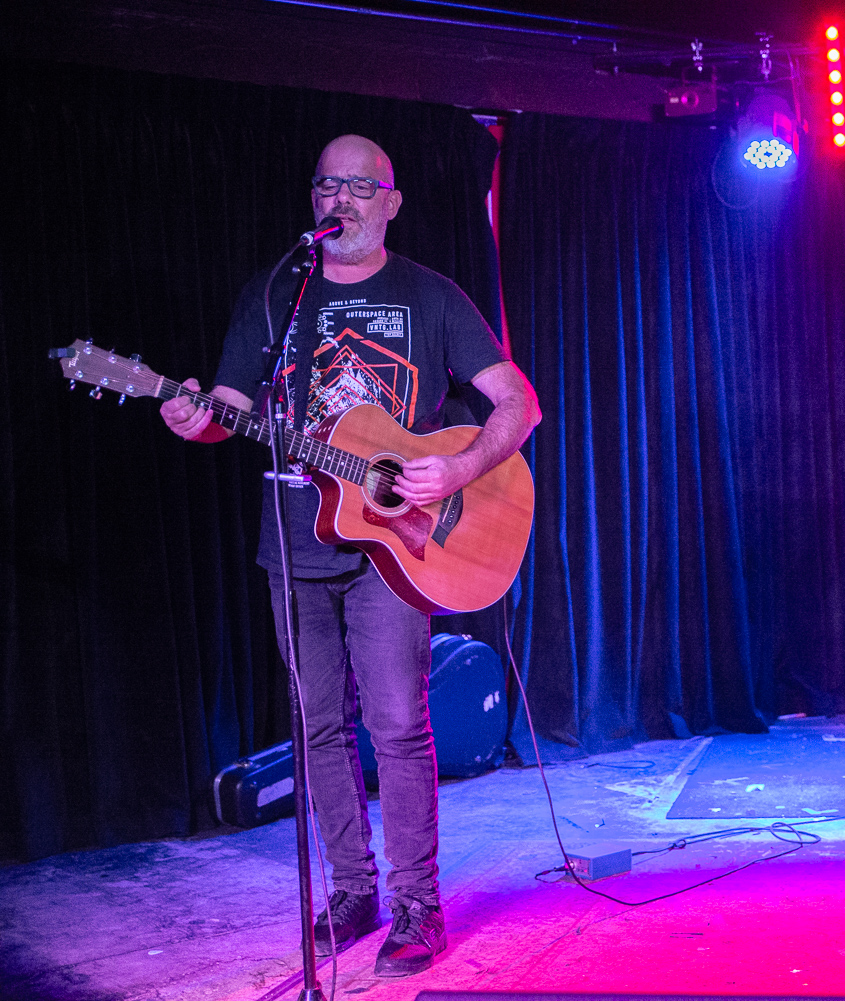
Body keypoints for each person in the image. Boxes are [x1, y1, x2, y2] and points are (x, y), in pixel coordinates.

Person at [161, 134, 541, 977]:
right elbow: (227, 407)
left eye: (361, 186)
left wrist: (459, 468)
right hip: (294, 542)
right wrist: (192, 415)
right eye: (328, 185)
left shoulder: (430, 295)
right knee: (317, 723)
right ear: (314, 200)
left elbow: (519, 402)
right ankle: (353, 890)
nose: (343, 199)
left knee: (398, 722)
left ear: (391, 202)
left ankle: (417, 903)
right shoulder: (276, 295)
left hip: (397, 547)